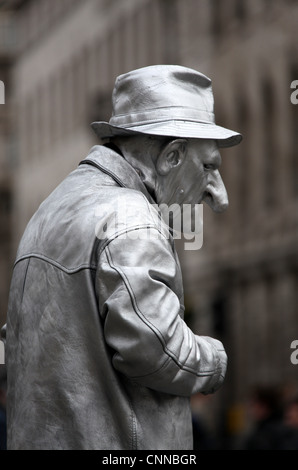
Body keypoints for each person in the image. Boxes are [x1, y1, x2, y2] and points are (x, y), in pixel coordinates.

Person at [4, 65, 242, 450]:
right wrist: (215, 358)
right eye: (209, 167)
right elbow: (157, 351)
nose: (218, 194)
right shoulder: (131, 218)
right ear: (172, 158)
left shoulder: (50, 210)